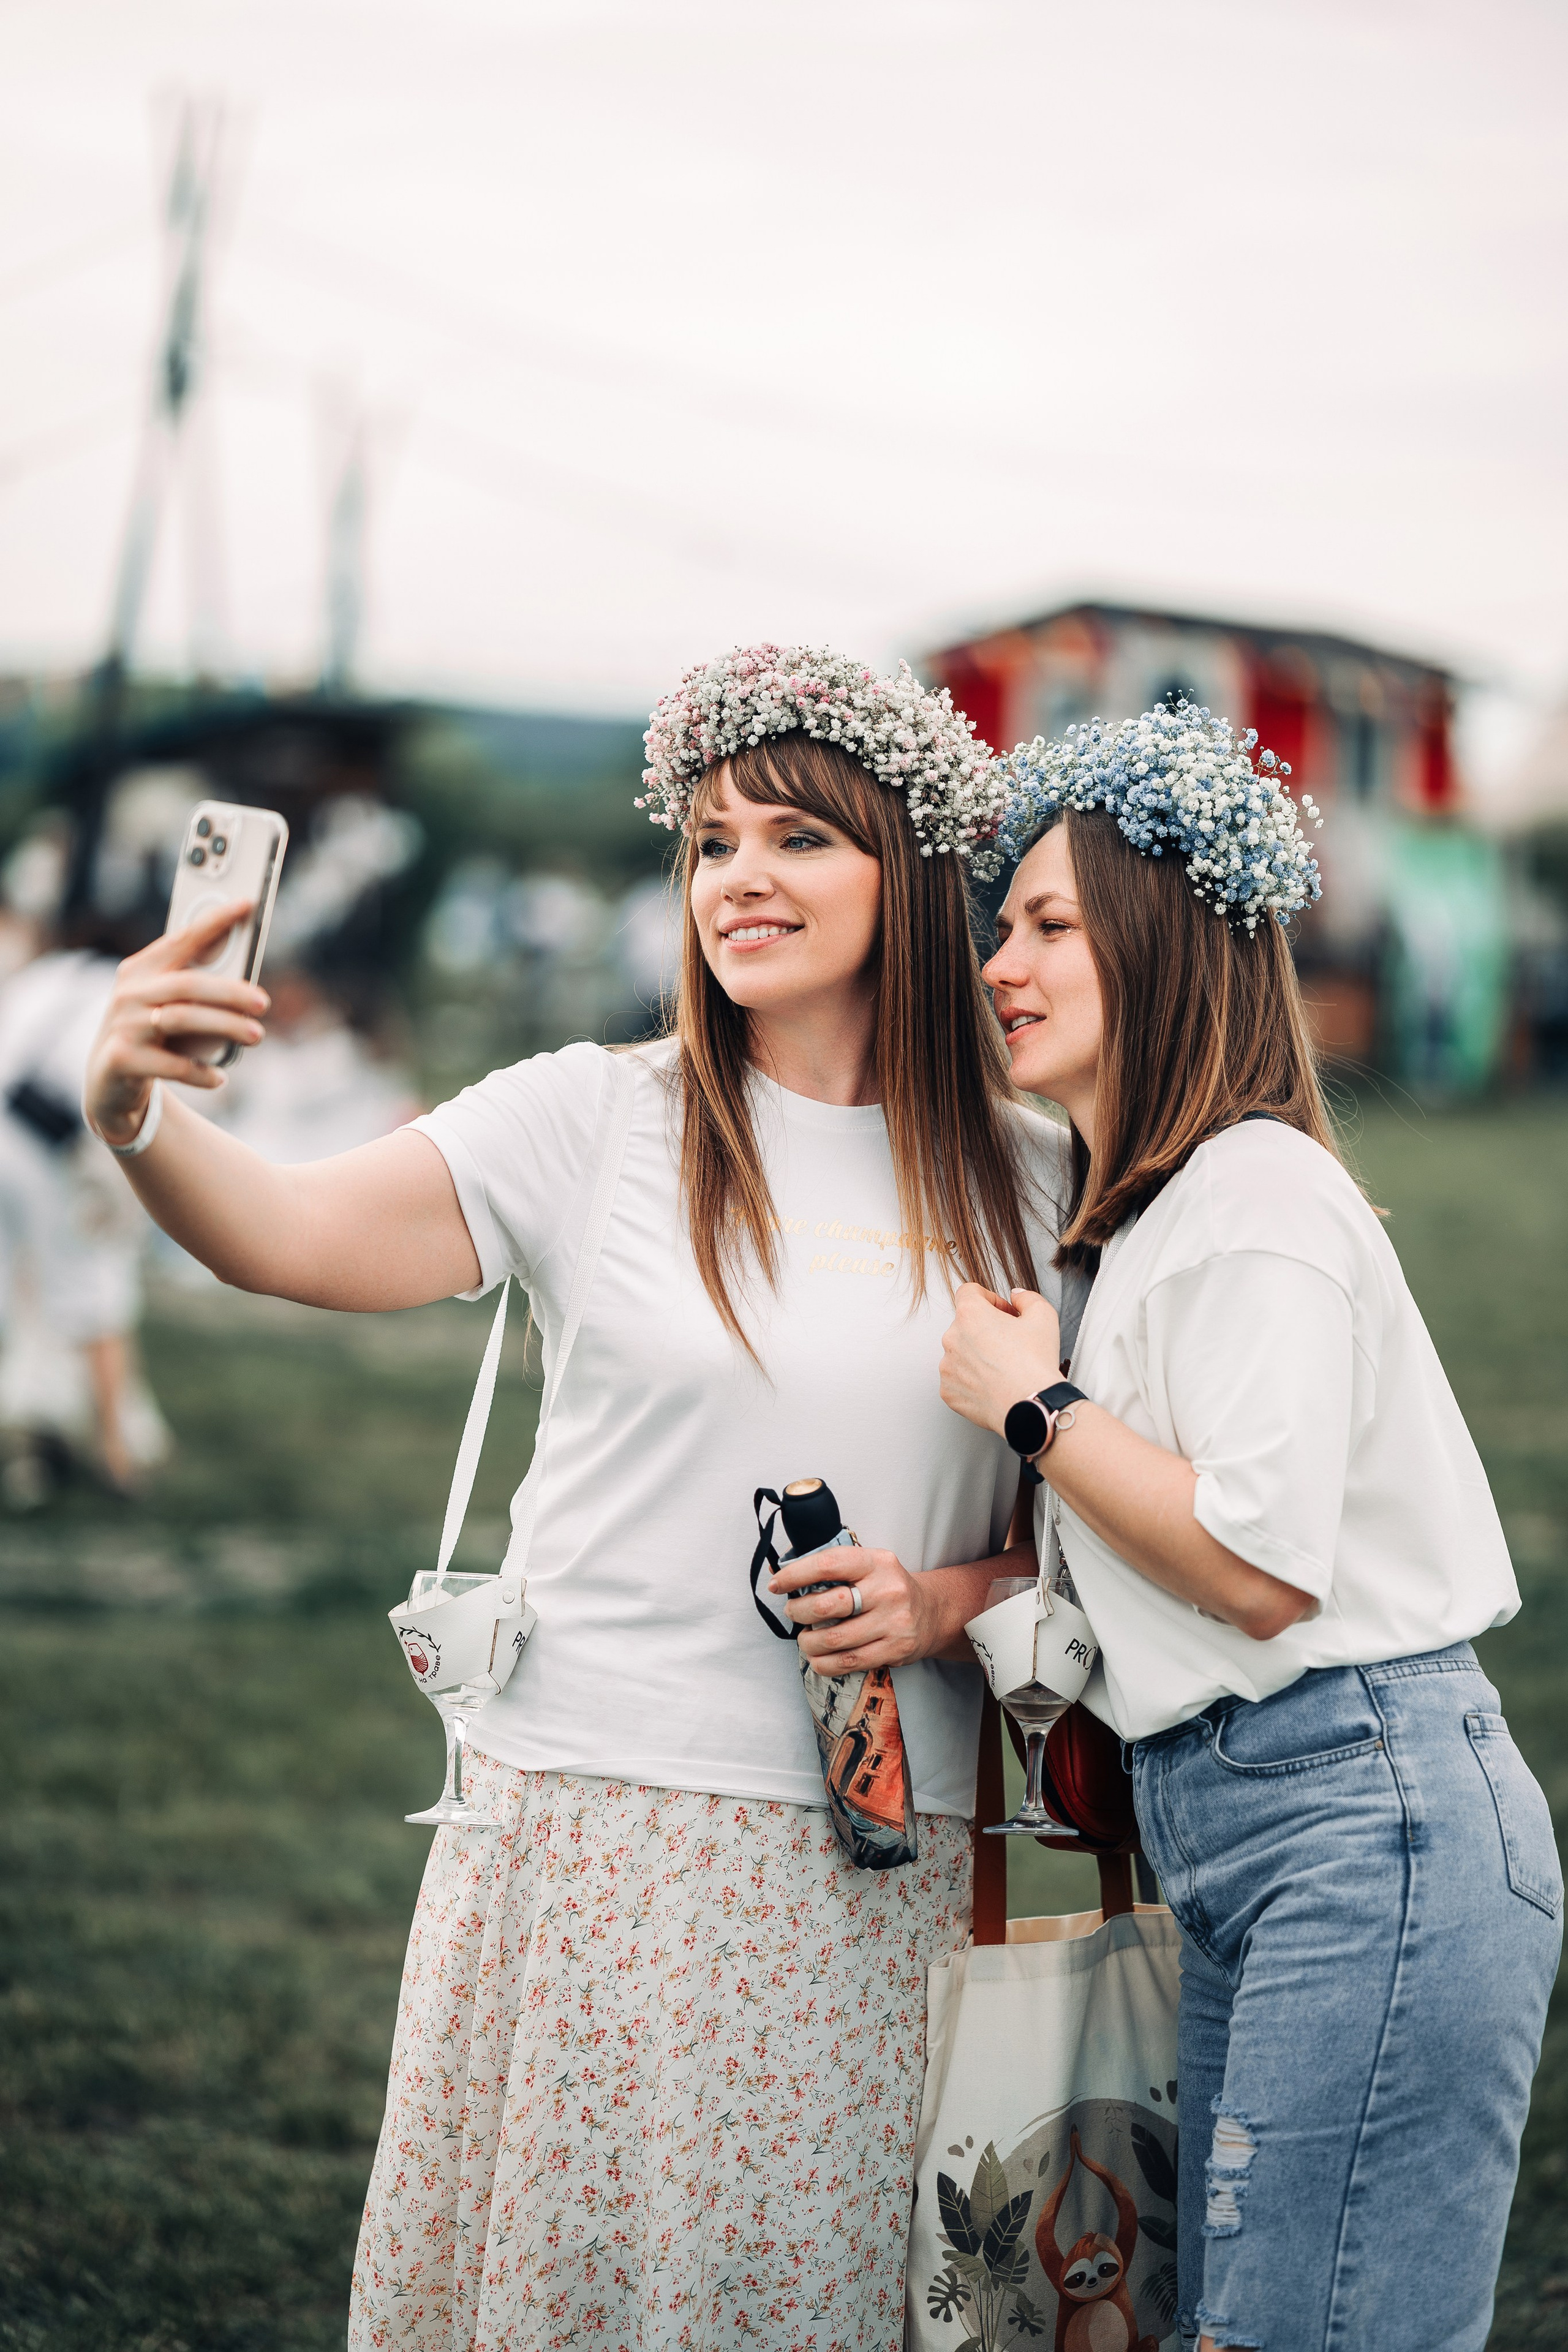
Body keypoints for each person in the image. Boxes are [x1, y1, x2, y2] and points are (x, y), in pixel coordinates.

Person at [83, 644, 1090, 2352]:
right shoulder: (599, 1115)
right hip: (587, 1837)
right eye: (709, 844)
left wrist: (941, 1603)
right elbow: (291, 1236)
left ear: (913, 872)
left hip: (878, 1858)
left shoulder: (1038, 1174)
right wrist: (136, 1112)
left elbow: (1099, 1545)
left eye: (797, 839)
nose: (740, 880)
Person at [938, 704, 1562, 2352]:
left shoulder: (1261, 1193)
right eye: (1001, 926)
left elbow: (1260, 1566)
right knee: (1238, 2315)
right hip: (1257, 1830)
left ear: (1163, 945)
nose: (1002, 959)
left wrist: (1034, 1407)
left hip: (1364, 1823)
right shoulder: (1152, 1218)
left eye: (1051, 924)